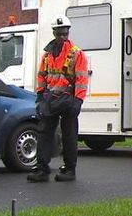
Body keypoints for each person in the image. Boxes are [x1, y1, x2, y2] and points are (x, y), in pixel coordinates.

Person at [28, 15, 88, 183]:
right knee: (44, 133)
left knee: (69, 136)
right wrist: (39, 96)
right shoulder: (47, 56)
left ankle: (70, 169)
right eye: (60, 33)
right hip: (50, 99)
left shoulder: (76, 54)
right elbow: (42, 76)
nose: (63, 37)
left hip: (68, 100)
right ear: (54, 33)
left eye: (65, 34)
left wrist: (78, 101)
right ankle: (42, 168)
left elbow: (82, 79)